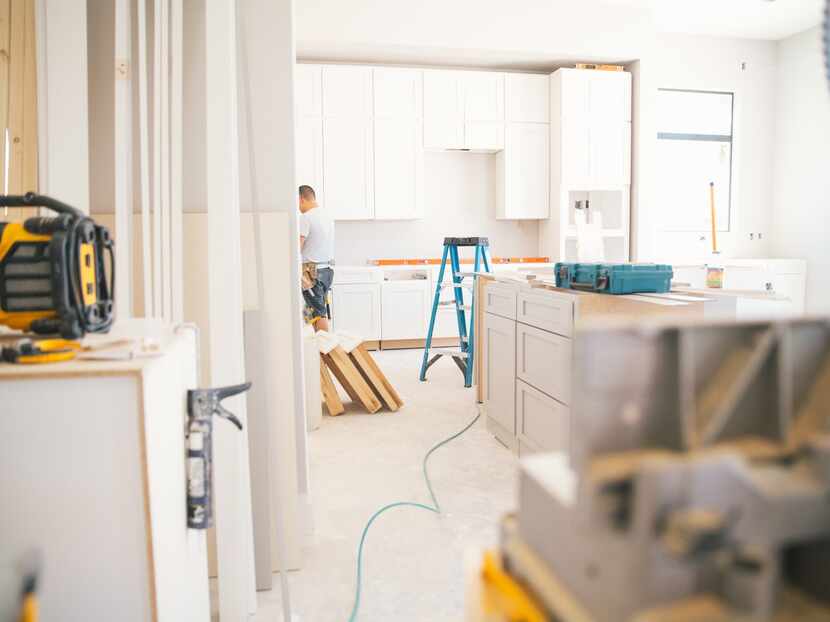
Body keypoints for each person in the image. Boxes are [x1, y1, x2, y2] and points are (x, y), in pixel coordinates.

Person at [298, 185, 335, 331]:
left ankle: (326, 351)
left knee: (319, 314)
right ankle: (319, 349)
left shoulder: (306, 218)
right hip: (326, 270)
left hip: (311, 273)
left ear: (301, 199)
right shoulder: (327, 216)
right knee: (313, 310)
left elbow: (297, 246)